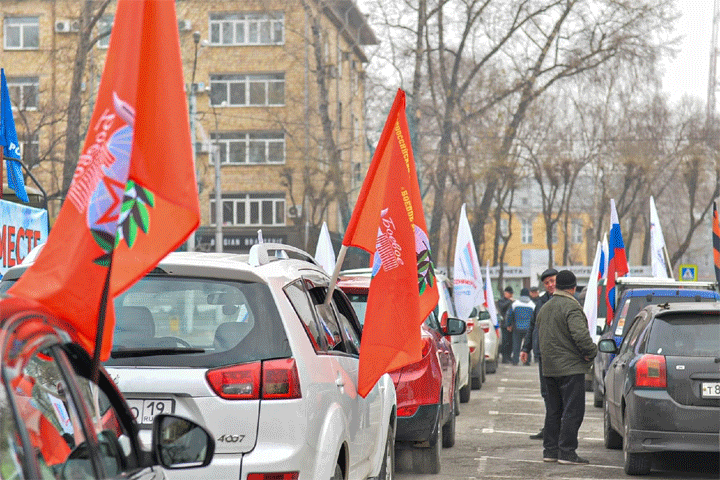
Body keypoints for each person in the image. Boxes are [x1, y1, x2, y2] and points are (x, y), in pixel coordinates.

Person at [536, 270, 597, 465]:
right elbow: (580, 335)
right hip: (570, 369)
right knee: (573, 410)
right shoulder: (571, 306)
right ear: (573, 287)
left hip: (549, 368)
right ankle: (567, 452)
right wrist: (592, 351)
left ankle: (550, 450)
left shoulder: (545, 308)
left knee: (553, 410)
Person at [520, 267, 557, 440]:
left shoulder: (565, 300)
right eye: (547, 283)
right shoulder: (540, 302)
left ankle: (557, 429)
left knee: (558, 393)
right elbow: (532, 326)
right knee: (546, 393)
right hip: (542, 354)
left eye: (553, 281)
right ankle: (549, 427)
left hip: (558, 355)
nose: (550, 285)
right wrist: (525, 348)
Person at [505, 288, 535, 365]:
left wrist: (508, 325)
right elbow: (535, 317)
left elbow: (509, 315)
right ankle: (527, 361)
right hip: (528, 329)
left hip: (517, 328)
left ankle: (515, 360)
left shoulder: (515, 304)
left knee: (516, 345)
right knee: (527, 345)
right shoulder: (532, 304)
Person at [496, 286, 514, 364]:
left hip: (511, 324)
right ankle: (504, 358)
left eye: (511, 293)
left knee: (511, 342)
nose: (510, 295)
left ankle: (509, 357)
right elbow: (502, 307)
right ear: (505, 293)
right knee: (505, 342)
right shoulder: (501, 301)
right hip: (504, 324)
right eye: (509, 293)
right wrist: (509, 301)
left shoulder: (512, 301)